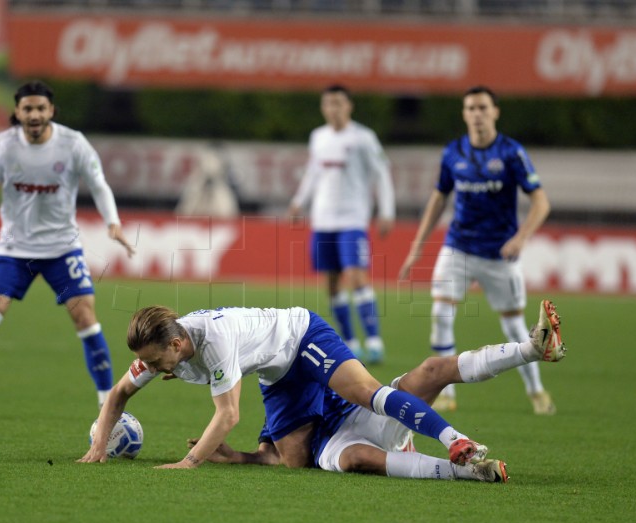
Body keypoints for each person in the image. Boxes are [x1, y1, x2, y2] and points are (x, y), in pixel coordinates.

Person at [0, 80, 134, 417]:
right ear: (17, 112)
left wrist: (113, 222)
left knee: (85, 317)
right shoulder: (4, 146)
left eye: (40, 108)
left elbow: (99, 184)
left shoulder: (73, 144)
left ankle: (106, 405)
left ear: (51, 111)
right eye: (27, 108)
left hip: (62, 249)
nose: (34, 114)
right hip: (13, 250)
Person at [190, 300, 565, 482]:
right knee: (356, 458)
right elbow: (274, 456)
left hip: (358, 416)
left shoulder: (307, 345)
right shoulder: (273, 386)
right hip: (333, 444)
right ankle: (469, 473)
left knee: (432, 369)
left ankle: (531, 349)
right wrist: (237, 457)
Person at [79, 305, 491, 469]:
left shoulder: (215, 343)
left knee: (366, 392)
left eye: (154, 361)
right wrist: (98, 445)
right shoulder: (163, 345)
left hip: (299, 336)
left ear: (176, 344)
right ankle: (377, 437)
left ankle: (427, 433)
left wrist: (188, 463)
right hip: (275, 371)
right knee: (293, 459)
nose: (148, 368)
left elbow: (228, 415)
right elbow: (118, 394)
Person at [398, 85, 555, 415]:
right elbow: (439, 198)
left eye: (483, 107)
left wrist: (522, 237)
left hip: (500, 254)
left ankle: (536, 390)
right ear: (464, 114)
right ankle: (445, 393)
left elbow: (541, 202)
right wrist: (417, 248)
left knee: (514, 327)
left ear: (495, 112)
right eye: (471, 108)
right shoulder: (453, 153)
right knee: (441, 313)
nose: (477, 114)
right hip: (459, 247)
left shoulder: (511, 153)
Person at [287, 84, 395, 364]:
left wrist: (386, 210)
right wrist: (299, 200)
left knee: (357, 276)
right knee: (332, 284)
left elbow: (381, 173)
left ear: (349, 106)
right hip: (322, 221)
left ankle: (374, 341)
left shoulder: (363, 138)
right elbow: (313, 172)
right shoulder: (319, 137)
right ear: (323, 107)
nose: (333, 109)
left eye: (338, 103)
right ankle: (349, 341)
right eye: (328, 103)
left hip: (352, 219)